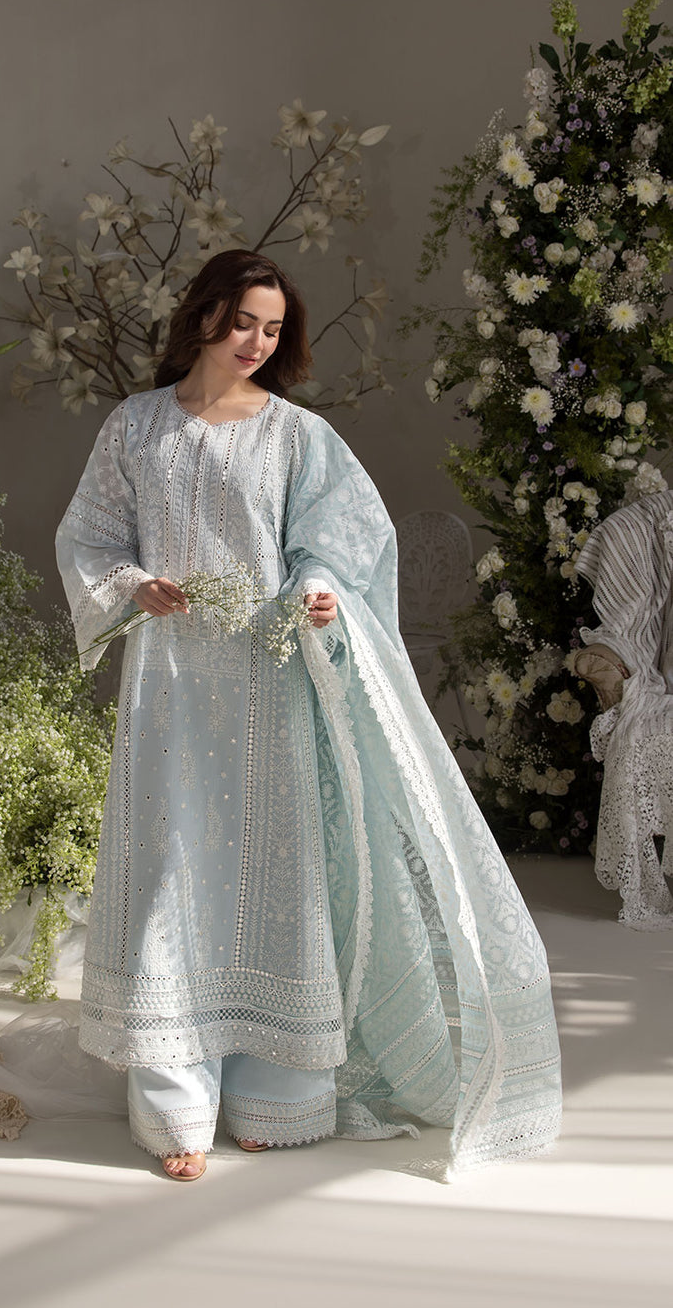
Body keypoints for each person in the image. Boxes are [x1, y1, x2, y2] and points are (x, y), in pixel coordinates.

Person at [56, 249, 562, 1182]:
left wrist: (321, 589)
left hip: (269, 682)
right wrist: (135, 584)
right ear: (204, 316)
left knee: (274, 874)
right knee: (171, 871)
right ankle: (174, 1106)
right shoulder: (134, 426)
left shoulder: (297, 436)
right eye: (244, 321)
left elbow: (340, 539)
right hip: (170, 686)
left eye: (274, 328)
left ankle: (277, 1097)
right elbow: (89, 536)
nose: (257, 341)